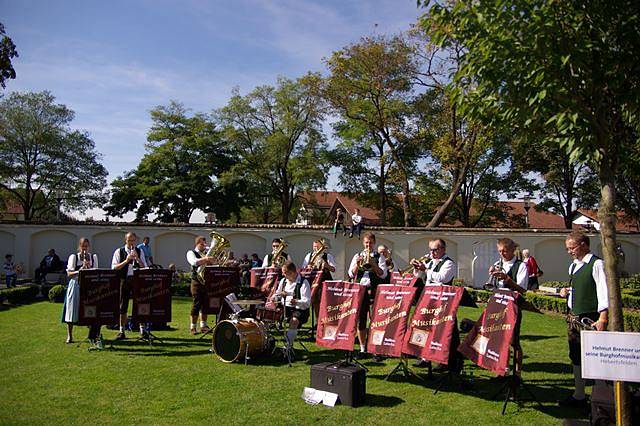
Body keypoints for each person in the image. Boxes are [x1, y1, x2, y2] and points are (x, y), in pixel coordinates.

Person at [558, 231, 608, 408]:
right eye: (568, 248)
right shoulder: (574, 266)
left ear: (584, 245)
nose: (569, 251)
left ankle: (601, 398)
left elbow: (603, 292)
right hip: (574, 317)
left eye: (572, 248)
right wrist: (567, 292)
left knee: (595, 356)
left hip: (591, 317)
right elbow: (577, 288)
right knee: (576, 355)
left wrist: (602, 317)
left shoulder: (597, 264)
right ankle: (579, 394)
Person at [410, 239, 459, 369]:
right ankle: (425, 357)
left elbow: (443, 278)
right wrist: (417, 269)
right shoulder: (431, 262)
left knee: (443, 331)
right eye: (430, 249)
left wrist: (426, 270)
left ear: (443, 249)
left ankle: (446, 360)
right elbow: (420, 277)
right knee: (426, 327)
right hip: (429, 298)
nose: (431, 252)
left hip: (444, 301)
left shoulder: (448, 263)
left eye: (435, 250)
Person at [487, 237, 528, 376]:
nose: (502, 254)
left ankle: (517, 373)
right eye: (499, 251)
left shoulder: (521, 266)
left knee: (514, 341)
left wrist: (506, 279)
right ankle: (502, 371)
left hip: (513, 305)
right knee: (499, 340)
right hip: (499, 304)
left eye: (505, 251)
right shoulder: (497, 263)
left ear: (512, 250)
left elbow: (522, 289)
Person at [348, 232, 388, 359]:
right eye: (366, 243)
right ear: (363, 243)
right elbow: (350, 274)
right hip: (360, 289)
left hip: (374, 289)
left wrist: (373, 263)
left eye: (370, 243)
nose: (368, 245)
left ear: (374, 243)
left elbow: (383, 274)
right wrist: (357, 264)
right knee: (361, 319)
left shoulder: (379, 256)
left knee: (375, 320)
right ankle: (362, 349)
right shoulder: (357, 255)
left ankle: (375, 349)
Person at [61, 238, 98, 344]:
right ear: (79, 246)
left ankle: (91, 335)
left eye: (86, 246)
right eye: (83, 246)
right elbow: (69, 274)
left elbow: (96, 272)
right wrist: (80, 269)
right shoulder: (74, 257)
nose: (84, 248)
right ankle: (70, 336)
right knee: (71, 310)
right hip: (76, 284)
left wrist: (89, 269)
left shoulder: (93, 257)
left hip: (88, 285)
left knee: (90, 310)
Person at [111, 232, 147, 340]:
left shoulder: (139, 251)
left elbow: (144, 266)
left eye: (133, 241)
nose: (131, 243)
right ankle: (121, 330)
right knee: (123, 305)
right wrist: (126, 261)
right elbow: (114, 267)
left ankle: (142, 330)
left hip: (136, 280)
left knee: (140, 304)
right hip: (124, 279)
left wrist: (137, 258)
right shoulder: (119, 251)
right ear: (125, 241)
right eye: (129, 240)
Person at [272, 261, 311, 357]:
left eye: (284, 272)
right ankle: (267, 344)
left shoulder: (303, 282)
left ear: (292, 272)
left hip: (300, 310)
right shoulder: (283, 281)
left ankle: (288, 346)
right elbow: (277, 293)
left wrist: (296, 302)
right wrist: (275, 297)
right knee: (268, 317)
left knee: (293, 321)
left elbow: (307, 302)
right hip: (285, 308)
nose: (282, 274)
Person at [186, 235, 216, 335]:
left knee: (206, 304)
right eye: (202, 244)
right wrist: (207, 259)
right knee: (197, 303)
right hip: (196, 281)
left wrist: (214, 259)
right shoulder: (191, 252)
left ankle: (203, 326)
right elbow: (194, 262)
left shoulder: (206, 253)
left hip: (206, 281)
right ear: (197, 244)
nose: (205, 246)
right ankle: (193, 327)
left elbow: (214, 262)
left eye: (205, 243)